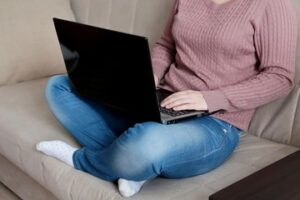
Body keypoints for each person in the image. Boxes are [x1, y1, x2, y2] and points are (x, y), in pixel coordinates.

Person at [36, 0, 298, 197]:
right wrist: (150, 75)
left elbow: (280, 78)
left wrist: (210, 99)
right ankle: (134, 166)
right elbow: (166, 45)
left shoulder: (272, 4)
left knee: (146, 143)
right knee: (59, 86)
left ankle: (84, 160)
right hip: (161, 101)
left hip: (215, 122)